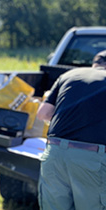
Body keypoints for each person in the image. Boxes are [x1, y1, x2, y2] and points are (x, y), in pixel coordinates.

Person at [36, 50, 106, 210]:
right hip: (92, 158)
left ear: (94, 64)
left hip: (54, 153)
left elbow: (43, 113)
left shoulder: (69, 75)